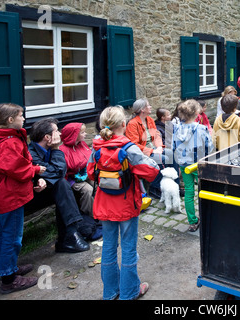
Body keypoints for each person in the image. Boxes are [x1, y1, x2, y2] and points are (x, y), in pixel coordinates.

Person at [87, 106, 159, 300]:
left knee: (109, 248)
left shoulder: (96, 147)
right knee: (128, 249)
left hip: (104, 204)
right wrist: (151, 160)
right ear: (122, 124)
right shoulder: (128, 148)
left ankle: (110, 293)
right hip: (126, 205)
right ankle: (130, 292)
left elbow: (90, 173)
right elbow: (151, 172)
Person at [0, 103, 46, 294]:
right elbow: (13, 168)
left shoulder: (3, 137)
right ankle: (9, 280)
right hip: (10, 197)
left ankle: (7, 266)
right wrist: (36, 169)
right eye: (21, 116)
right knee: (12, 237)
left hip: (4, 195)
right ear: (11, 120)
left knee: (5, 234)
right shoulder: (9, 141)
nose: (24, 119)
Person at [27, 117, 90, 253]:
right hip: (29, 196)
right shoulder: (32, 154)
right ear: (47, 137)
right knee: (62, 186)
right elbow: (58, 171)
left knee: (62, 186)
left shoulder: (48, 149)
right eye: (56, 131)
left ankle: (71, 234)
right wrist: (56, 149)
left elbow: (59, 172)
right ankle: (71, 234)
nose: (60, 134)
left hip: (49, 189)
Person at [173, 99, 215, 232]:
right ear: (197, 113)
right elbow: (210, 147)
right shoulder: (201, 129)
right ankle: (207, 216)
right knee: (204, 191)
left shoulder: (176, 129)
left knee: (189, 193)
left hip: (184, 164)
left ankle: (192, 221)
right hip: (199, 164)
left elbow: (173, 147)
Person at [125, 98, 174, 199]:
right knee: (164, 159)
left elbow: (156, 135)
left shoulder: (149, 120)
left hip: (154, 148)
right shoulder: (132, 124)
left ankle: (174, 184)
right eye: (148, 105)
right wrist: (152, 151)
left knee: (171, 153)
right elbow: (133, 145)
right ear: (142, 109)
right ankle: (155, 187)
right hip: (142, 153)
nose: (150, 106)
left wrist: (159, 146)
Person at [59, 123, 94, 217]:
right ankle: (90, 215)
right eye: (82, 132)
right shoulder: (63, 150)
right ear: (74, 135)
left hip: (85, 173)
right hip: (72, 178)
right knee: (88, 190)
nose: (85, 134)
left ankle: (101, 209)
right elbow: (70, 168)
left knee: (98, 183)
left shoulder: (82, 144)